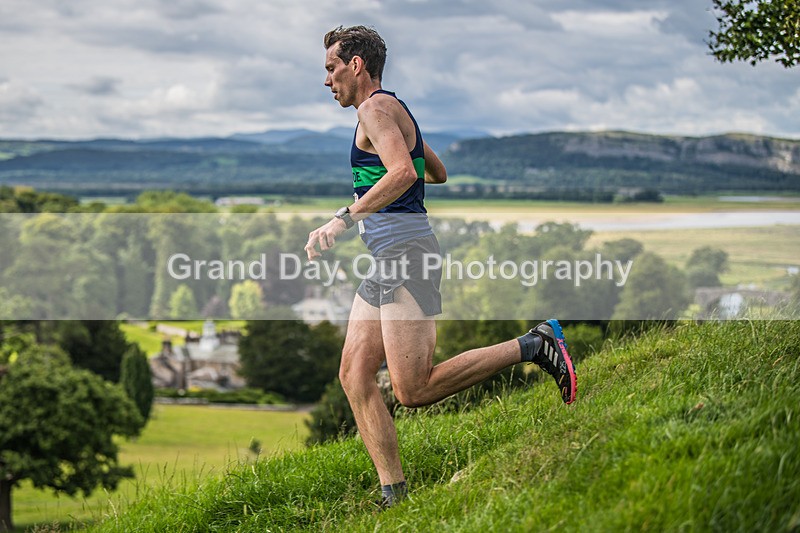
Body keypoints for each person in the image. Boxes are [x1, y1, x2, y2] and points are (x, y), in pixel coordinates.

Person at [305, 25, 577, 508]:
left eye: (332, 68)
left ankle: (535, 345)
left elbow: (403, 172)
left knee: (414, 389)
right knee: (354, 374)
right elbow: (436, 171)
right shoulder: (392, 108)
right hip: (389, 257)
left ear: (356, 65)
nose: (327, 80)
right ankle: (393, 494)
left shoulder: (373, 110)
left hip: (407, 256)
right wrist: (398, 171)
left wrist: (344, 218)